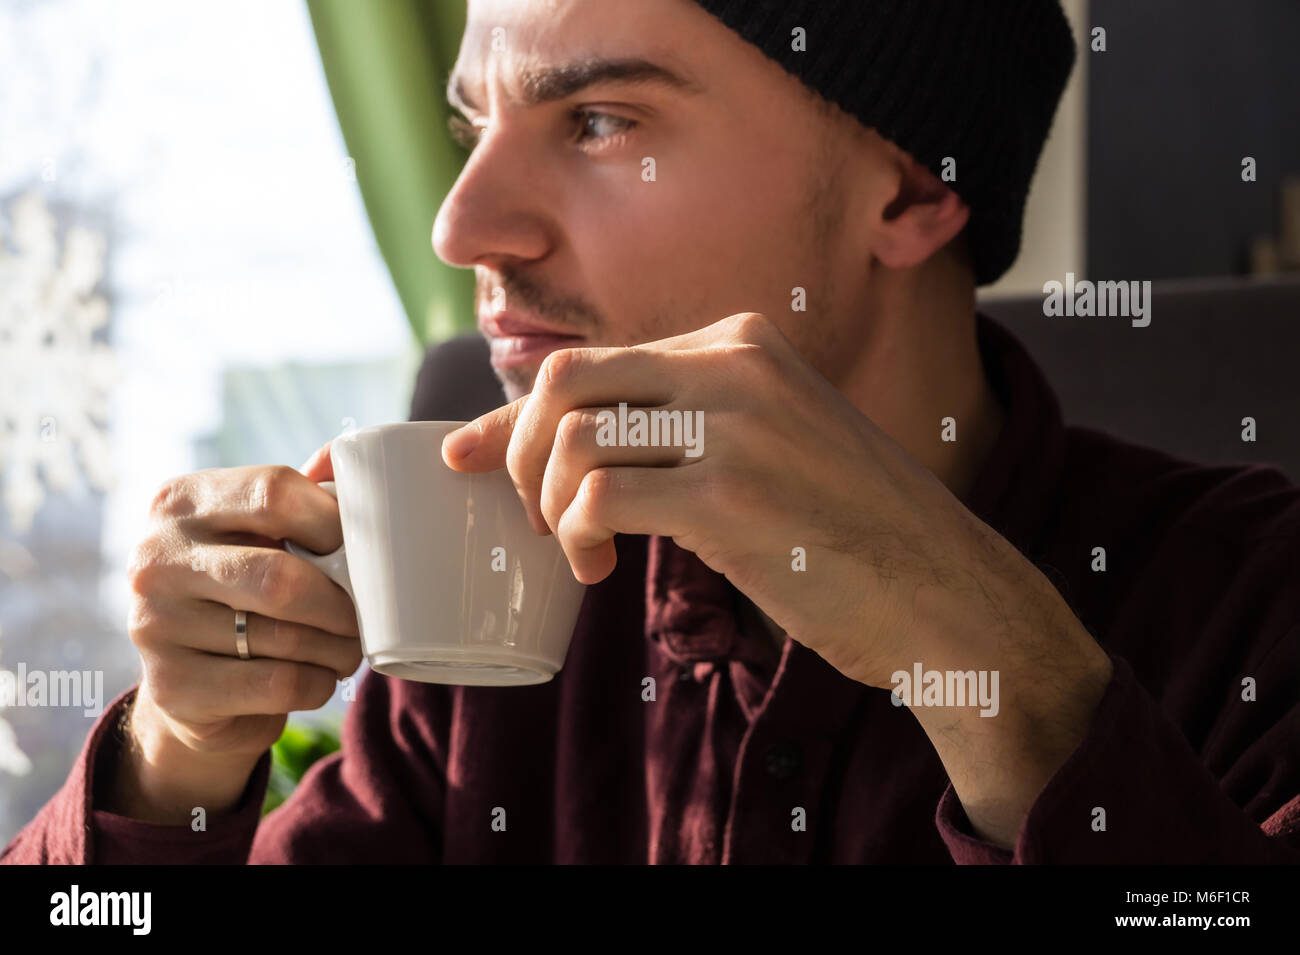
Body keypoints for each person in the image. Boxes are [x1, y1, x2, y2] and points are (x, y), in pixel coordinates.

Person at [4, 0, 1297, 864]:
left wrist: (985, 659)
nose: (461, 228)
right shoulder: (493, 610)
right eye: (472, 126)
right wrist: (175, 764)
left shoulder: (1254, 602)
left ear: (908, 187)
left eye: (601, 121)